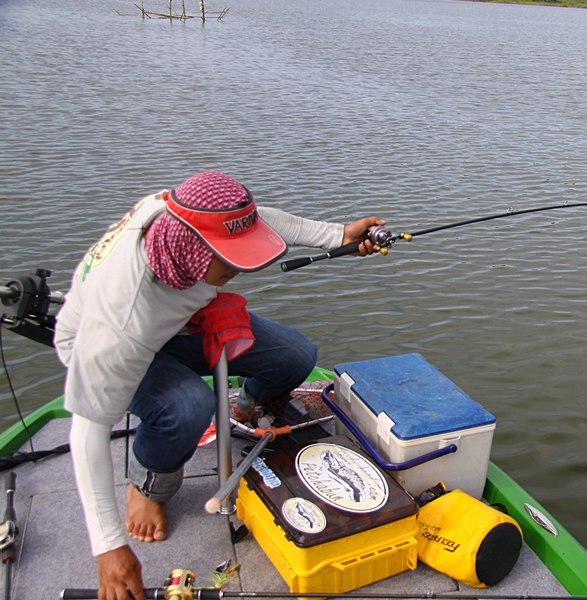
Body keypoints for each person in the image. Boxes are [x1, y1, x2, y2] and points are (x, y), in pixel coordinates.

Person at [53, 171, 384, 600]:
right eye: (228, 259)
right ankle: (150, 485)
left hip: (181, 322)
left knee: (297, 355)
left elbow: (261, 220)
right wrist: (108, 546)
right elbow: (87, 431)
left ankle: (247, 405)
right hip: (117, 345)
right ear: (191, 250)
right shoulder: (119, 319)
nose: (240, 268)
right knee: (189, 406)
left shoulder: (185, 221)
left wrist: (339, 234)